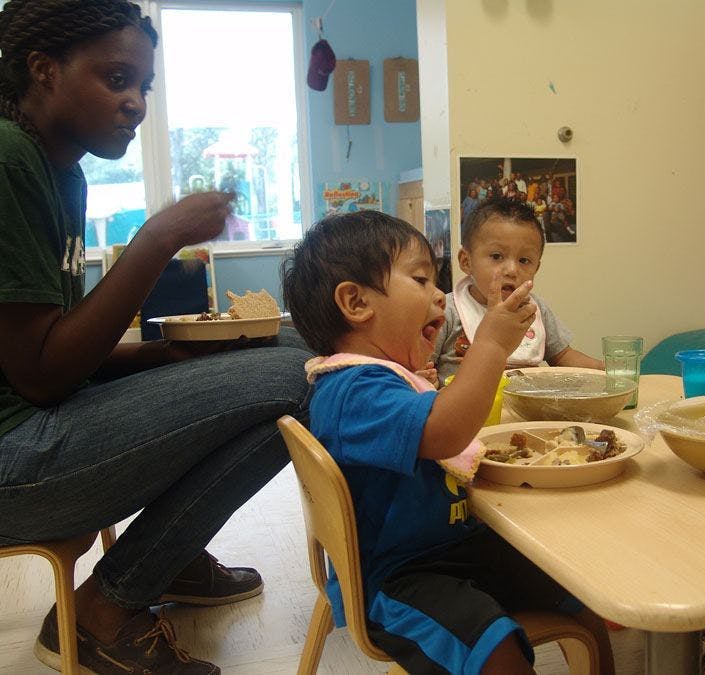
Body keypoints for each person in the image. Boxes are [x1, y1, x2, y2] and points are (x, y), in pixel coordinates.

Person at [0, 2, 313, 673]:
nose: (135, 104)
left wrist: (164, 355)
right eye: (116, 79)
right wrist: (159, 236)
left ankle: (167, 554)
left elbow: (52, 351)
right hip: (14, 460)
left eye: (142, 86)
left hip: (35, 427)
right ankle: (103, 610)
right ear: (43, 69)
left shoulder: (64, 172)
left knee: (282, 354)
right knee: (306, 375)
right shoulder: (7, 157)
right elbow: (39, 375)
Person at [282, 211, 614, 675]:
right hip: (399, 577)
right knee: (496, 648)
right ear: (356, 302)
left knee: (576, 588)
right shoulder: (352, 391)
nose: (440, 294)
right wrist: (491, 347)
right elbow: (445, 432)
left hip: (452, 547)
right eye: (420, 280)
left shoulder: (383, 381)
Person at [431, 197, 603, 384]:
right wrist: (423, 379)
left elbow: (563, 356)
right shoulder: (446, 310)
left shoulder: (534, 310)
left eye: (524, 260)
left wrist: (606, 369)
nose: (512, 270)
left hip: (526, 410)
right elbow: (420, 366)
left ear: (536, 268)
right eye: (497, 256)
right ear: (466, 261)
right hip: (467, 410)